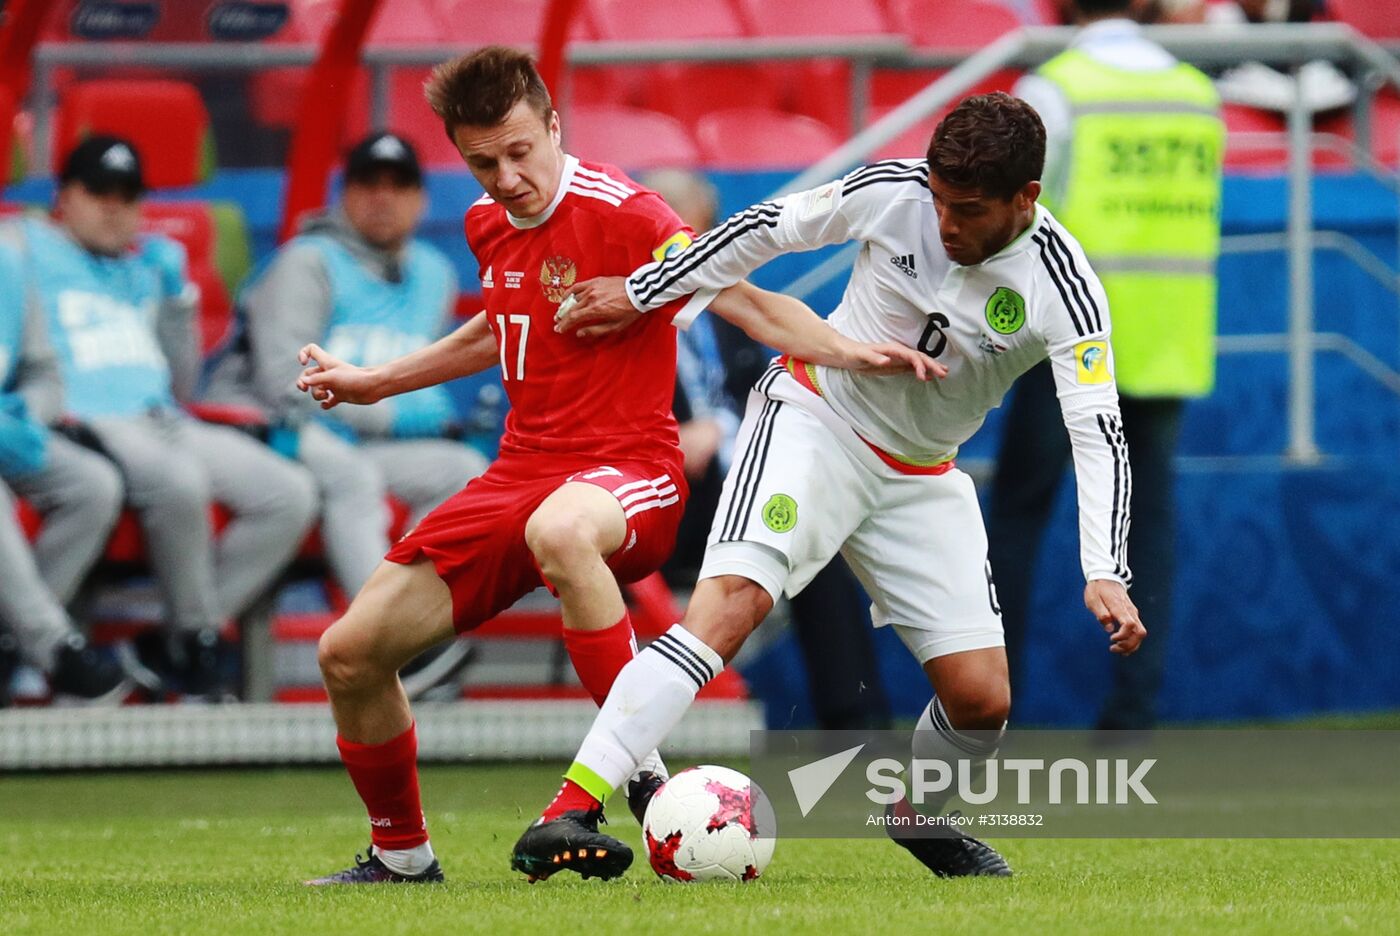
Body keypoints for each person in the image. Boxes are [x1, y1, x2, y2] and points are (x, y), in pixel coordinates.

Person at [294, 47, 934, 886]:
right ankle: (402, 857)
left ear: (555, 126)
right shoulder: (490, 223)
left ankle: (638, 782)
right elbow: (500, 326)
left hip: (631, 470)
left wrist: (852, 352)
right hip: (518, 475)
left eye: (522, 151)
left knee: (561, 528)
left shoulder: (629, 213)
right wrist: (374, 379)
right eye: (483, 162)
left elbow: (747, 300)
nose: (507, 176)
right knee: (349, 653)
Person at [517, 92, 1147, 882]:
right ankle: (570, 806)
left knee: (983, 701)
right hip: (815, 422)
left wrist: (1105, 570)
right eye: (941, 201)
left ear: (1028, 199)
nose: (945, 223)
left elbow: (1097, 431)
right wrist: (646, 291)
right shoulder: (897, 191)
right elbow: (760, 231)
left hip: (921, 477)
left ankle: (920, 815)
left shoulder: (1068, 288)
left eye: (970, 210)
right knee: (732, 605)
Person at [989, 0, 1223, 732]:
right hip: (1167, 339)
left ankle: (991, 706)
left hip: (1067, 344)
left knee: (1017, 519)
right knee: (1147, 526)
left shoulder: (1053, 89)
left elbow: (1014, 223)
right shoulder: (1197, 94)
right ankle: (1134, 708)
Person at [19, 135, 319, 698]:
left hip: (162, 417)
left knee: (288, 493)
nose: (115, 206)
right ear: (65, 196)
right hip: (84, 418)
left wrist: (177, 298)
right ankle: (197, 640)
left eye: (128, 195)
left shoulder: (142, 267)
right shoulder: (27, 248)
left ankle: (171, 643)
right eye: (98, 191)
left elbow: (182, 384)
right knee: (177, 481)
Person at [642, 167, 892, 730]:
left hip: (740, 481)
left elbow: (762, 394)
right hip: (667, 497)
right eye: (662, 232)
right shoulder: (628, 311)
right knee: (794, 530)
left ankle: (857, 721)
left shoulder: (730, 314)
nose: (678, 249)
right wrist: (668, 440)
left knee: (818, 533)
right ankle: (855, 721)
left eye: (690, 234)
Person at [205, 132, 488, 616]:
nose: (383, 197)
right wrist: (387, 414)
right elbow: (282, 385)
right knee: (351, 477)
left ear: (420, 200)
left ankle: (417, 614)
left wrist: (397, 412)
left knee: (464, 473)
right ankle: (381, 637)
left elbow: (427, 382)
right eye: (368, 183)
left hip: (354, 438)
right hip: (270, 428)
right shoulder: (308, 261)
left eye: (398, 185)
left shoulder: (434, 273)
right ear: (345, 193)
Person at [0, 235, 128, 703]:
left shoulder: (9, 262)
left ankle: (11, 642)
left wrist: (25, 414)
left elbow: (45, 374)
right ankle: (53, 647)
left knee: (94, 484)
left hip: (7, 433)